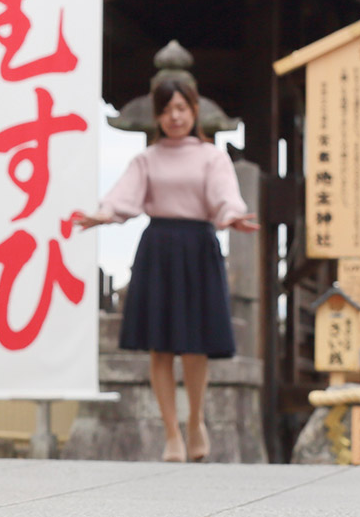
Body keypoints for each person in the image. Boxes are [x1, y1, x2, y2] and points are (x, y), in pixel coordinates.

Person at [76, 78, 260, 462]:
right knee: (160, 347)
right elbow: (123, 197)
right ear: (158, 116)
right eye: (165, 109)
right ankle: (171, 433)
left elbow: (225, 197)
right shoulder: (147, 159)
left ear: (193, 110)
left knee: (195, 347)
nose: (174, 116)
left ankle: (196, 422)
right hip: (158, 247)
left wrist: (233, 217)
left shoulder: (212, 156)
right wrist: (103, 215)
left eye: (180, 108)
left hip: (198, 246)